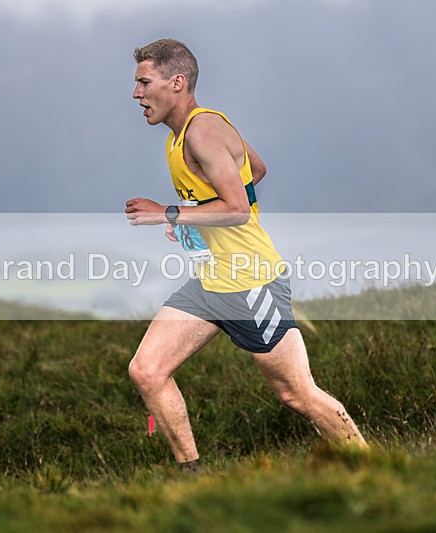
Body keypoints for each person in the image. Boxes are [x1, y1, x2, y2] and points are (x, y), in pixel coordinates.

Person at [125, 38, 367, 473]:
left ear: (176, 83)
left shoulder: (203, 130)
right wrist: (192, 220)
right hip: (212, 281)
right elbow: (255, 170)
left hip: (251, 282)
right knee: (147, 370)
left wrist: (169, 212)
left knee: (297, 394)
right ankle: (193, 478)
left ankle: (376, 469)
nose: (136, 94)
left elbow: (237, 209)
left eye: (144, 83)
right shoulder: (180, 136)